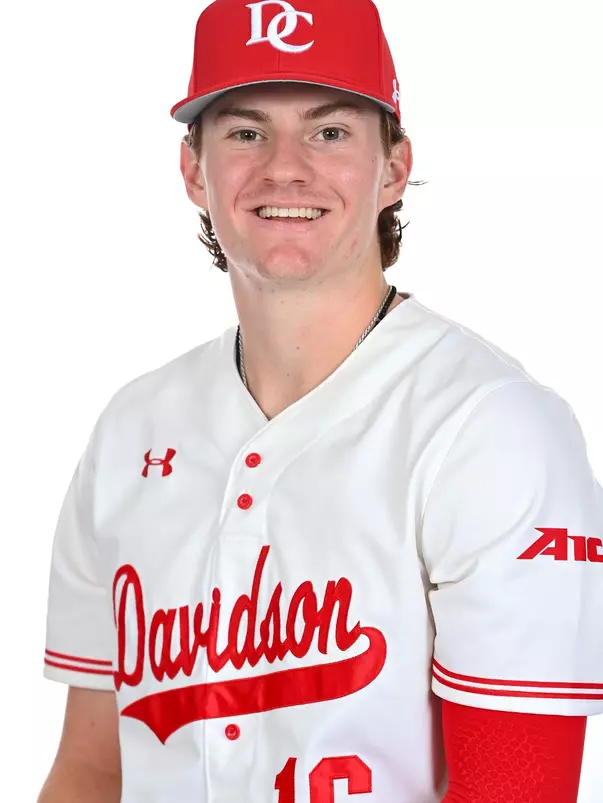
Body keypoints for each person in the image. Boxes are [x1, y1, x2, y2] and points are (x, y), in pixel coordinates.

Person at [38, 1, 603, 801]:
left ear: (394, 167)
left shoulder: (490, 427)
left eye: (330, 131)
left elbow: (520, 789)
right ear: (194, 170)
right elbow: (92, 770)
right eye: (244, 132)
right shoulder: (133, 427)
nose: (284, 166)